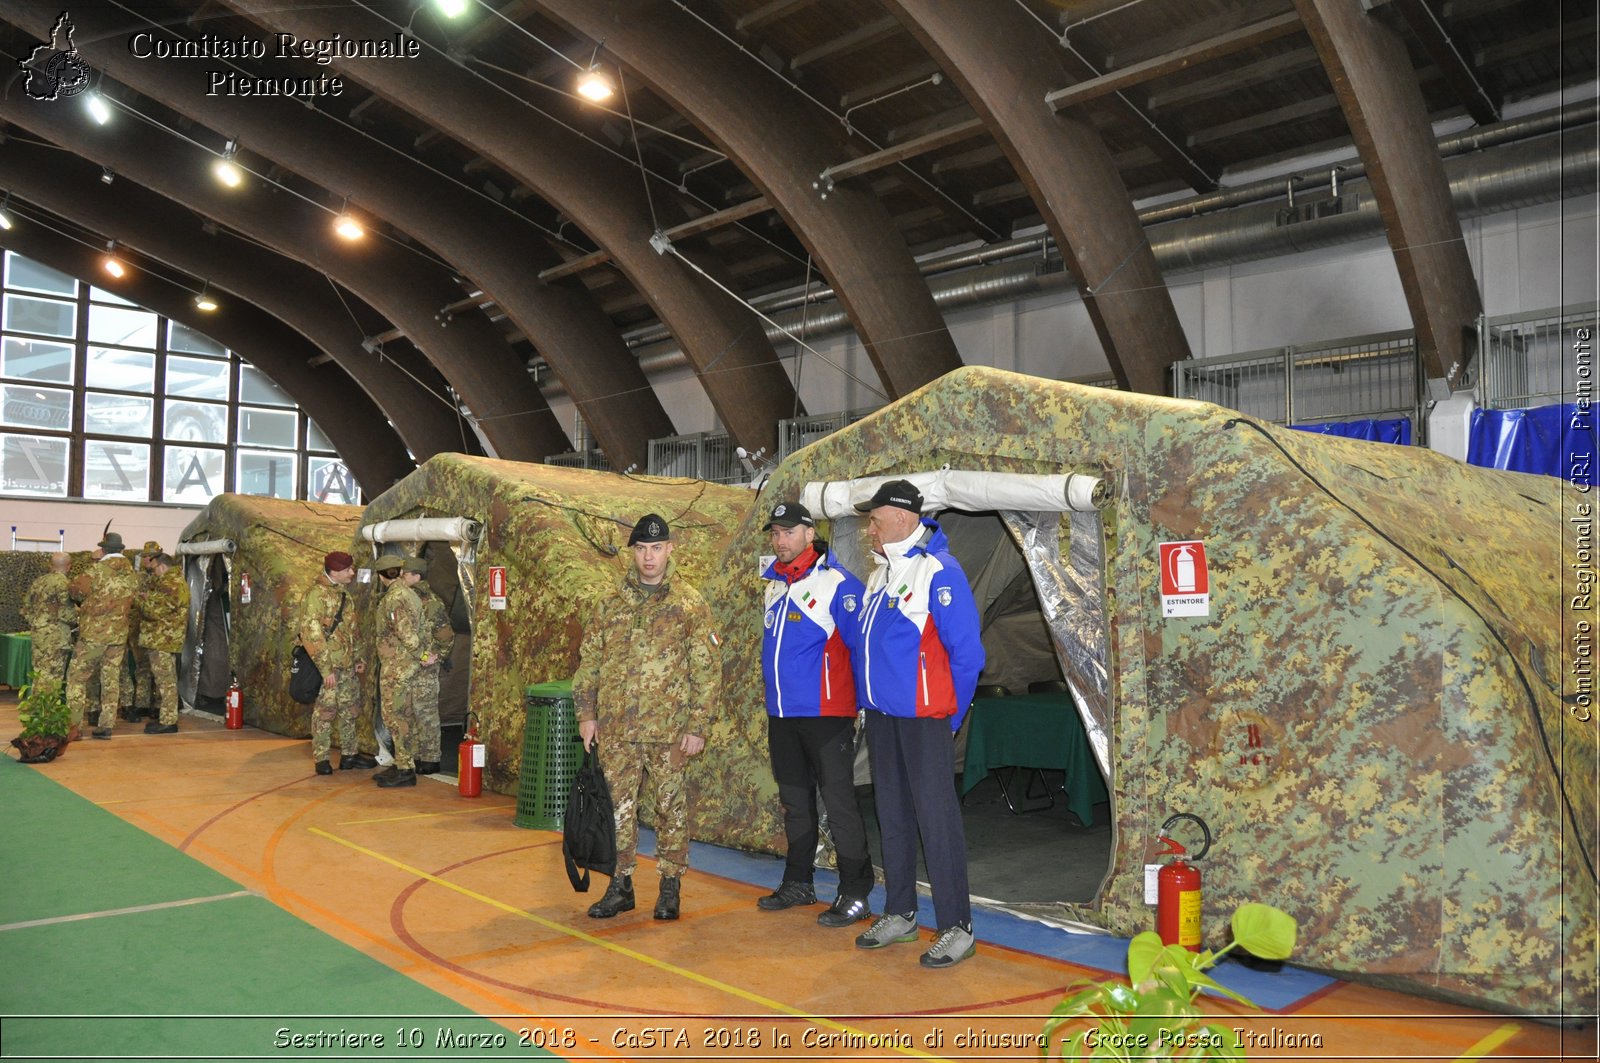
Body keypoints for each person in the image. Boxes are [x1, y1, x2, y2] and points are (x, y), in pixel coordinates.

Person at [851, 479, 986, 968]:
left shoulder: (939, 573)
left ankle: (957, 926)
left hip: (925, 721)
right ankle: (901, 912)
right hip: (884, 719)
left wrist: (948, 717)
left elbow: (968, 655)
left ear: (903, 519)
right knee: (892, 815)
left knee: (937, 820)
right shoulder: (877, 577)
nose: (869, 528)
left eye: (875, 519)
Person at [574, 513, 720, 922]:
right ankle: (620, 885)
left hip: (669, 731)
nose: (649, 557)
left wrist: (698, 726)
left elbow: (706, 668)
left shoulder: (688, 603)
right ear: (632, 553)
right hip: (617, 730)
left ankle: (670, 886)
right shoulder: (610, 604)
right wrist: (587, 714)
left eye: (657, 548)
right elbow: (590, 661)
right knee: (618, 809)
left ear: (670, 549)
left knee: (670, 808)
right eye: (641, 549)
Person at [756, 500, 874, 928]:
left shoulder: (837, 584)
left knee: (840, 804)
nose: (780, 540)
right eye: (775, 532)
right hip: (783, 716)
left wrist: (861, 705)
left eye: (788, 532)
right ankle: (798, 882)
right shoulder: (773, 585)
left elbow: (861, 648)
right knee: (795, 803)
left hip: (827, 715)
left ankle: (856, 890)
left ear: (810, 533)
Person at [297, 551, 371, 774]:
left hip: (347, 665)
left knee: (350, 709)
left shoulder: (343, 594)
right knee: (325, 712)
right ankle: (322, 759)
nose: (352, 572)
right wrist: (325, 669)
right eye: (348, 569)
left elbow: (352, 630)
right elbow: (312, 635)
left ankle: (350, 755)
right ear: (335, 571)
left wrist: (358, 657)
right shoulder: (315, 596)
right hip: (328, 667)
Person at [66, 530, 140, 739]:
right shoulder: (131, 574)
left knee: (77, 679)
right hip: (118, 635)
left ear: (103, 549)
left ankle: (74, 727)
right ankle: (106, 725)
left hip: (94, 635)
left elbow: (75, 591)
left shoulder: (97, 570)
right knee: (111, 679)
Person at [372, 553, 437, 788]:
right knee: (403, 715)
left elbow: (404, 632)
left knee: (395, 716)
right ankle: (403, 763)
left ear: (381, 576)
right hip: (404, 663)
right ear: (399, 571)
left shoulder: (394, 598)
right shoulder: (408, 594)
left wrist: (422, 654)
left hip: (397, 665)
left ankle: (405, 769)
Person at [405, 557, 453, 776]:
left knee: (426, 714)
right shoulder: (404, 599)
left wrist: (437, 657)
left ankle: (431, 758)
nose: (401, 577)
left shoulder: (431, 603)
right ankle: (415, 755)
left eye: (405, 574)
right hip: (408, 666)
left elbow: (446, 635)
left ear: (417, 576)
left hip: (425, 668)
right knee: (410, 712)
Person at [137, 553, 189, 735]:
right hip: (165, 639)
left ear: (162, 566)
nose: (154, 573)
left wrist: (141, 600)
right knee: (166, 681)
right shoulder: (175, 581)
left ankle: (168, 722)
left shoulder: (170, 583)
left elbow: (154, 612)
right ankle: (166, 718)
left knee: (166, 682)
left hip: (162, 639)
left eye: (154, 569)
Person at [23, 552, 75, 691]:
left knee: (39, 673)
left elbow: (26, 608)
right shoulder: (65, 584)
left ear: (50, 565)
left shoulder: (38, 582)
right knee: (53, 676)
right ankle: (49, 711)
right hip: (57, 637)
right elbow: (67, 614)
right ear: (69, 566)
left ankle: (37, 708)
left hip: (38, 634)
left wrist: (37, 622)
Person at [124, 540, 164, 721]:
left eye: (151, 557)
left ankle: (157, 705)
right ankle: (142, 703)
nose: (148, 560)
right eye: (147, 556)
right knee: (142, 667)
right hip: (138, 628)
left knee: (159, 669)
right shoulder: (136, 578)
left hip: (156, 629)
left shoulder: (164, 577)